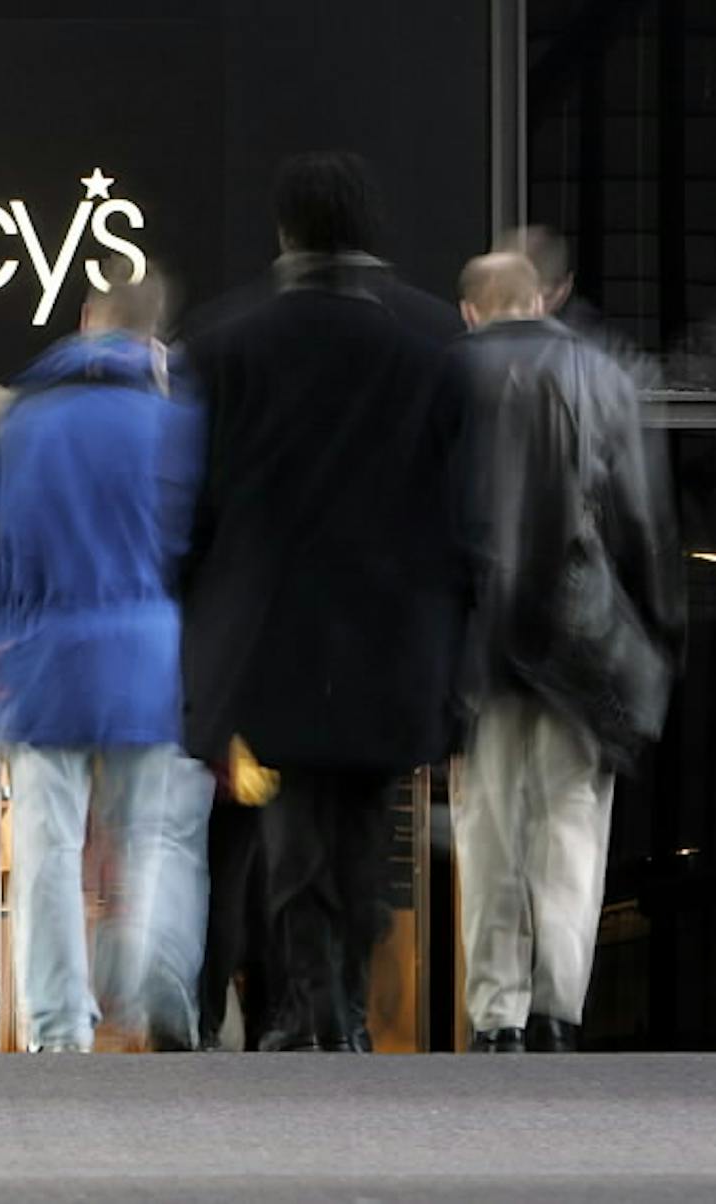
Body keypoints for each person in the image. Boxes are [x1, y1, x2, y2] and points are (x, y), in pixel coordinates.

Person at [178, 151, 472, 1053]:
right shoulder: (434, 342)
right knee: (363, 825)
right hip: (394, 635)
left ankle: (319, 1005)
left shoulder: (226, 342)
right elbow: (461, 506)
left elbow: (195, 510)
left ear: (284, 232)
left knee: (297, 824)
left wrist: (199, 635)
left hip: (272, 634)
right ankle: (337, 996)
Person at [0, 260, 207, 1052]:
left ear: (84, 319)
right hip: (149, 660)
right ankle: (147, 974)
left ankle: (57, 1027)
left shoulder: (20, 421)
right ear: (154, 334)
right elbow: (196, 547)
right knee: (150, 837)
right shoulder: (178, 423)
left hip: (40, 663)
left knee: (47, 847)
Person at [450, 251, 679, 1053]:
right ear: (542, 299)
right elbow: (643, 525)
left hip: (485, 648)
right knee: (572, 833)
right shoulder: (602, 376)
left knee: (491, 836)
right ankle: (558, 1012)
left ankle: (497, 1018)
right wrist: (655, 634)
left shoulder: (448, 375)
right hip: (583, 646)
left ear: (472, 310)